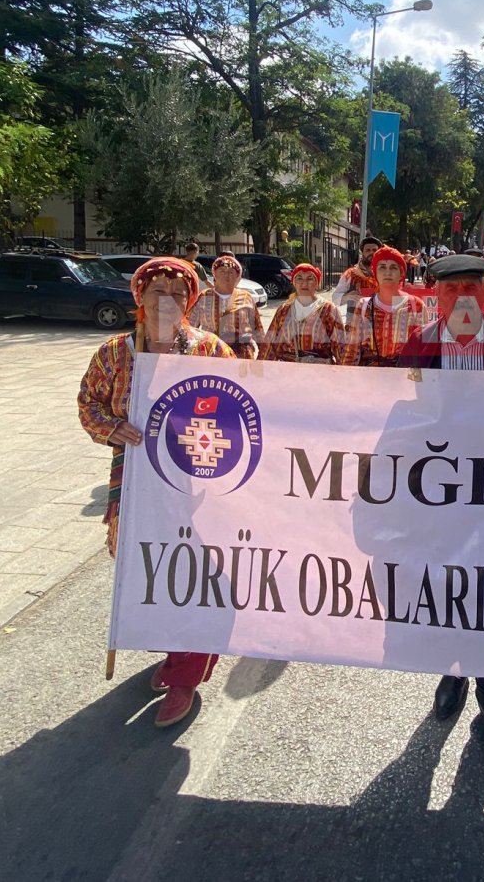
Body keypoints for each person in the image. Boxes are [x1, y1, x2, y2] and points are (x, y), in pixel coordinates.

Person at [77, 257, 234, 728]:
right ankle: (172, 650)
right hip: (137, 481)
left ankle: (187, 674)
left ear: (190, 301)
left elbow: (242, 408)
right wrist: (112, 427)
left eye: (178, 293)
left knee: (198, 573)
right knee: (152, 569)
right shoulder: (114, 353)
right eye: (157, 292)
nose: (167, 301)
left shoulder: (210, 350)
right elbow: (88, 404)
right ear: (139, 299)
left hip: (198, 484)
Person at [395, 254, 484, 754]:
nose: (461, 298)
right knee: (442, 589)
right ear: (436, 296)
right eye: (450, 290)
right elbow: (400, 414)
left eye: (470, 289)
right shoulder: (419, 344)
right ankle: (452, 673)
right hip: (435, 493)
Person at [338, 244, 429, 367]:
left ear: (402, 273)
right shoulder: (363, 306)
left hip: (403, 374)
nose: (387, 272)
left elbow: (423, 350)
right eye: (382, 267)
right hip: (369, 375)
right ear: (375, 273)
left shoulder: (416, 306)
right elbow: (351, 349)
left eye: (393, 267)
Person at [262, 263, 342, 362]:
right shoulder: (284, 310)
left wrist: (345, 369)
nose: (304, 283)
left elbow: (340, 347)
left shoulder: (329, 310)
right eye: (299, 278)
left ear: (317, 283)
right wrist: (262, 367)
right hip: (288, 368)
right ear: (294, 283)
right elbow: (270, 345)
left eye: (310, 279)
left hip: (318, 368)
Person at [189, 254, 264, 359]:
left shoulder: (246, 297)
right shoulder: (204, 296)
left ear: (237, 276)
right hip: (212, 353)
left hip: (242, 354)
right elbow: (190, 327)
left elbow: (257, 327)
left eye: (231, 272)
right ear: (215, 274)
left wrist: (263, 355)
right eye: (222, 271)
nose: (226, 275)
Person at [331, 236, 382, 314]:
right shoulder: (350, 274)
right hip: (353, 320)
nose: (371, 253)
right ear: (362, 253)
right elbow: (335, 298)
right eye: (368, 250)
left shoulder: (385, 274)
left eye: (374, 250)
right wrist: (349, 296)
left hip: (379, 320)